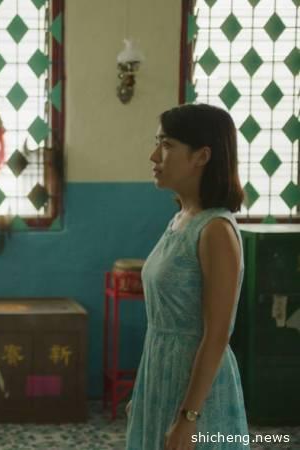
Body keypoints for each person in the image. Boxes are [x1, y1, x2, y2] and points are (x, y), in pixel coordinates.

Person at [125, 104, 248, 450]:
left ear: (202, 156)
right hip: (161, 373)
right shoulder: (181, 219)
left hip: (196, 391)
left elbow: (217, 334)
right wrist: (144, 391)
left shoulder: (215, 230)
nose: (154, 156)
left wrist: (189, 417)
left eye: (166, 145)